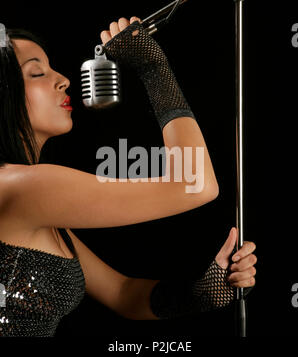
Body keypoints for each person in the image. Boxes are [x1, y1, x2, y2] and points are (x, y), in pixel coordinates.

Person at [0, 17, 257, 337]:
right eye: (37, 72)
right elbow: (196, 184)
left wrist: (211, 288)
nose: (64, 79)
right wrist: (152, 66)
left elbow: (123, 295)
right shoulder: (21, 186)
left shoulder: (37, 201)